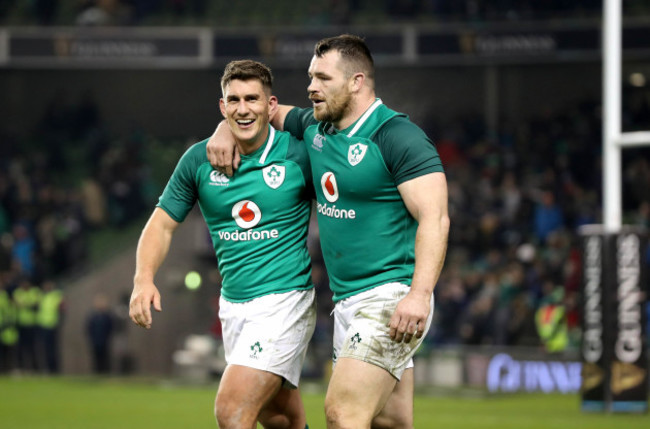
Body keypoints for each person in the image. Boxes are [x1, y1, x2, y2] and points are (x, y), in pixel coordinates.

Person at [207, 35, 449, 429]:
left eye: (322, 78)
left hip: (390, 297)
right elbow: (262, 112)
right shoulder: (318, 129)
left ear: (356, 81)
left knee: (342, 412)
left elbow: (435, 218)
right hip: (347, 303)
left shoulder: (397, 137)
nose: (310, 87)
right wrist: (224, 127)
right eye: (309, 77)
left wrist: (419, 294)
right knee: (390, 421)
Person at [129, 60, 316, 429]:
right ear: (222, 106)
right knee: (279, 417)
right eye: (234, 100)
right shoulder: (198, 160)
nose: (243, 109)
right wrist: (143, 278)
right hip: (233, 307)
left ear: (271, 105)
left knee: (232, 410)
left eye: (252, 99)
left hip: (284, 300)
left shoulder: (298, 154)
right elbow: (162, 225)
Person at [37, 280, 64, 373]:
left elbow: (62, 309)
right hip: (43, 325)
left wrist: (59, 322)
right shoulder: (42, 296)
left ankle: (54, 369)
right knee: (46, 348)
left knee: (53, 348)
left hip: (53, 325)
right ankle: (48, 368)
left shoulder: (56, 296)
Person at [86, 293, 114, 374]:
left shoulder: (107, 316)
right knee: (95, 357)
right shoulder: (93, 317)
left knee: (105, 357)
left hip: (105, 340)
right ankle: (97, 372)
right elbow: (89, 328)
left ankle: (105, 372)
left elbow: (110, 328)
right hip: (95, 340)